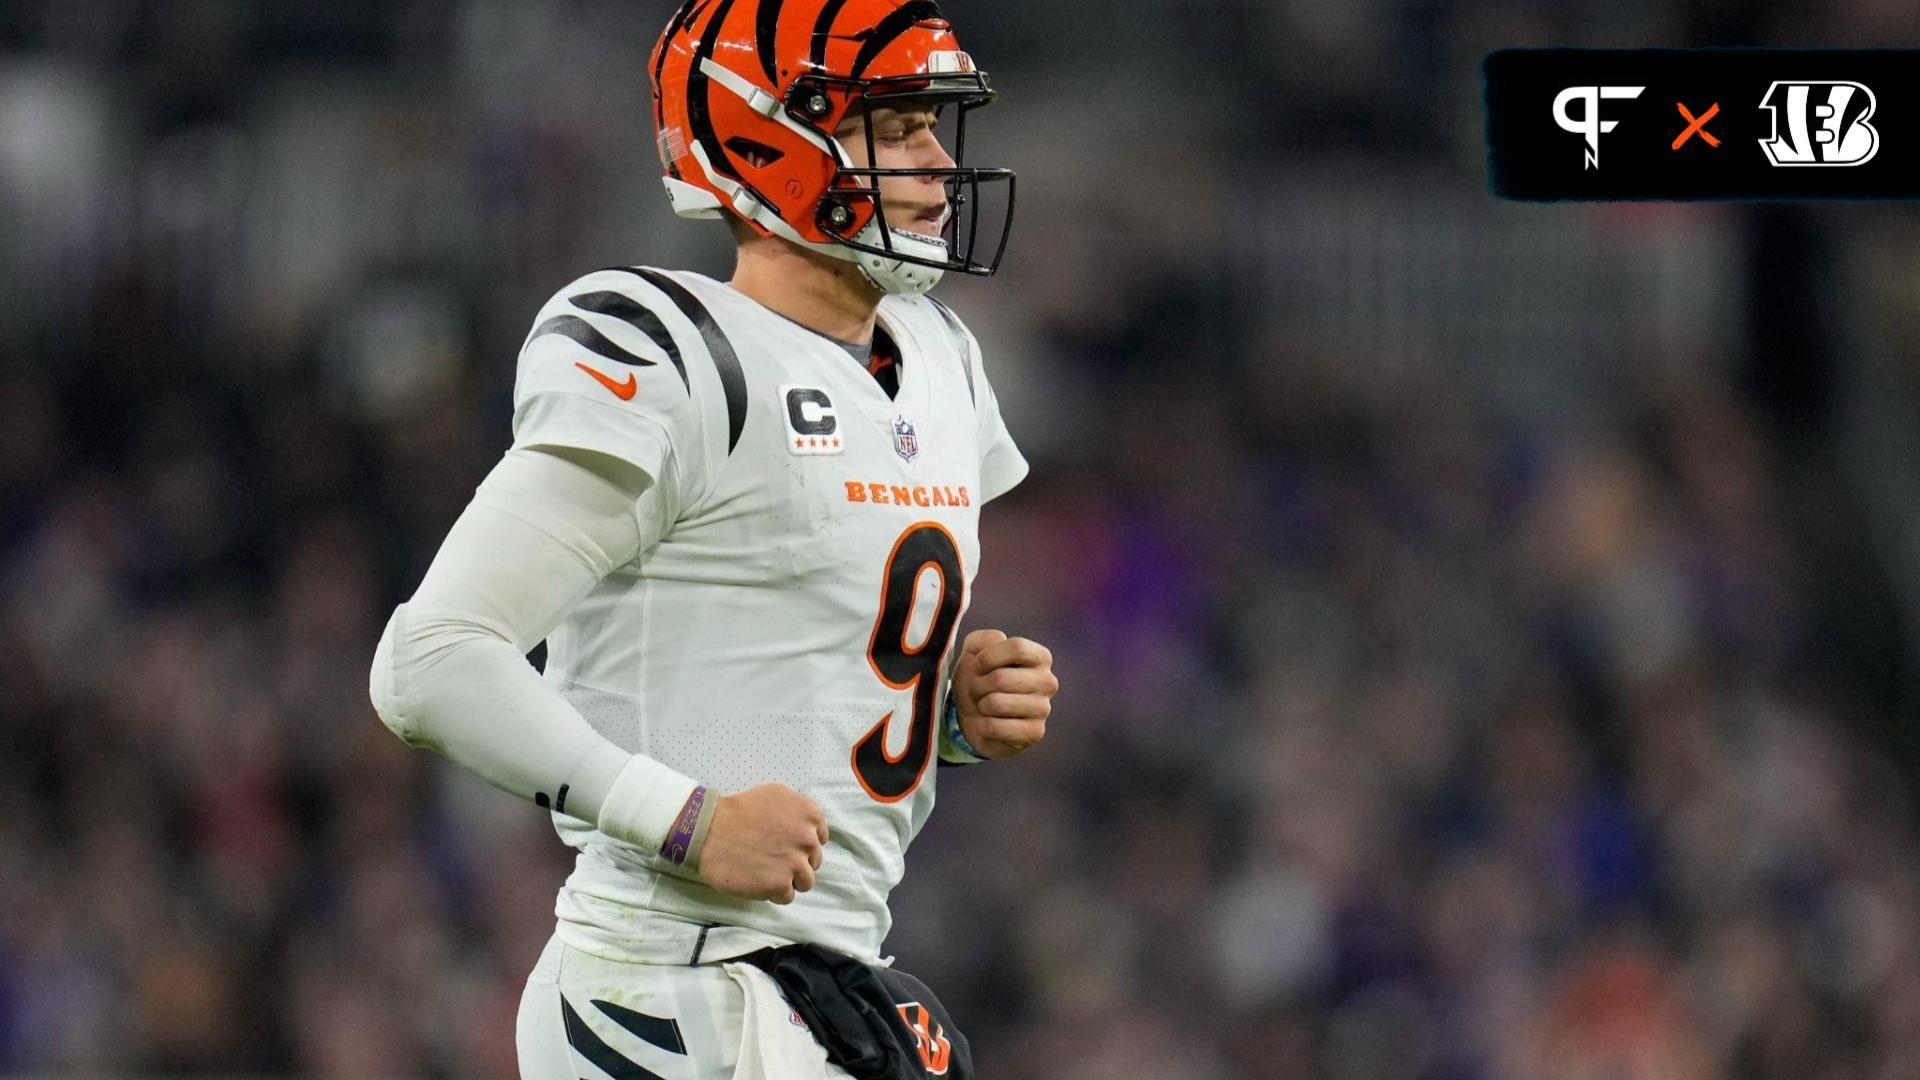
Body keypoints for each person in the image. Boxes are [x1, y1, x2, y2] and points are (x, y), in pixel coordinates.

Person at [367, 1, 1056, 1075]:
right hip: (667, 984)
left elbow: (787, 656)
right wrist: (680, 819)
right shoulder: (677, 354)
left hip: (831, 979)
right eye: (895, 125)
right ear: (767, 137)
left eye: (932, 124)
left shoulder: (941, 359)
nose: (935, 160)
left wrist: (950, 719)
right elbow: (431, 660)